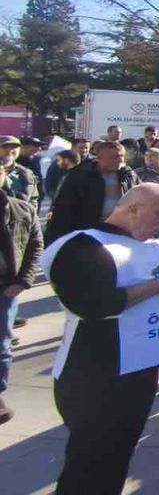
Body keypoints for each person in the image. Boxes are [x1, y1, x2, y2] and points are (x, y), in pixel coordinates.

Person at [41, 184, 159, 494]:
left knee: (118, 456)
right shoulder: (84, 245)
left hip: (140, 367)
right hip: (97, 374)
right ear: (132, 209)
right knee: (90, 461)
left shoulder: (153, 245)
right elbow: (94, 304)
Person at [0, 171, 42, 425]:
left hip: (5, 289)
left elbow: (35, 245)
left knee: (2, 345)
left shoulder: (21, 209)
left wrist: (24, 280)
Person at [46, 140, 140, 243]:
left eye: (122, 156)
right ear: (99, 158)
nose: (120, 160)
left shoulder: (128, 175)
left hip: (120, 234)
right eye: (115, 157)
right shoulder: (79, 176)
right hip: (87, 235)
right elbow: (63, 210)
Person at [0, 136, 40, 208]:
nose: (10, 150)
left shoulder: (27, 173)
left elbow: (33, 199)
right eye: (5, 147)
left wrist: (31, 212)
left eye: (14, 147)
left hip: (22, 214)